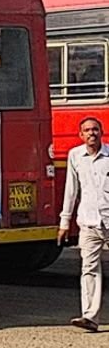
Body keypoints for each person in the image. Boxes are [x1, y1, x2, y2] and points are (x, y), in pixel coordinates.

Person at [59, 116, 108, 333]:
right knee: (89, 268)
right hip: (87, 221)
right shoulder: (75, 156)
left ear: (102, 132)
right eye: (87, 130)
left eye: (95, 129)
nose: (91, 133)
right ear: (80, 135)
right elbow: (71, 190)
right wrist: (64, 221)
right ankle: (90, 316)